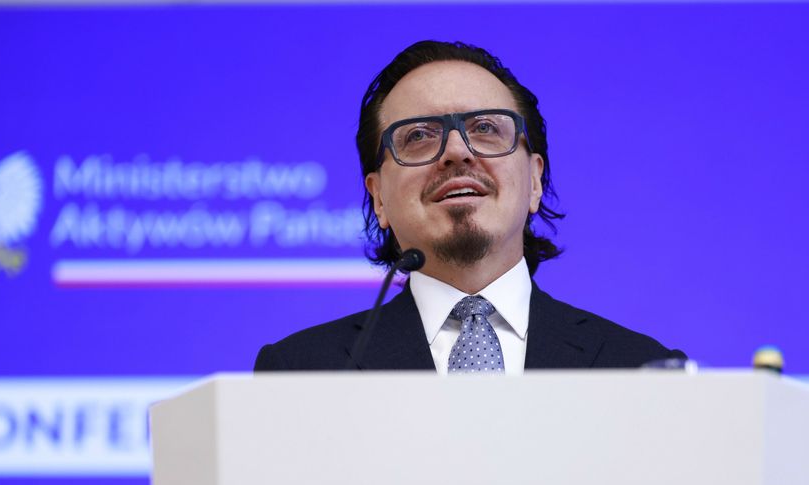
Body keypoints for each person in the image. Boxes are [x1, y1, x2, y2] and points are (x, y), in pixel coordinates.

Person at [255, 40, 685, 373]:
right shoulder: (301, 371)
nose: (457, 152)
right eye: (418, 135)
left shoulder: (639, 368)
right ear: (379, 197)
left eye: (485, 128)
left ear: (535, 180)